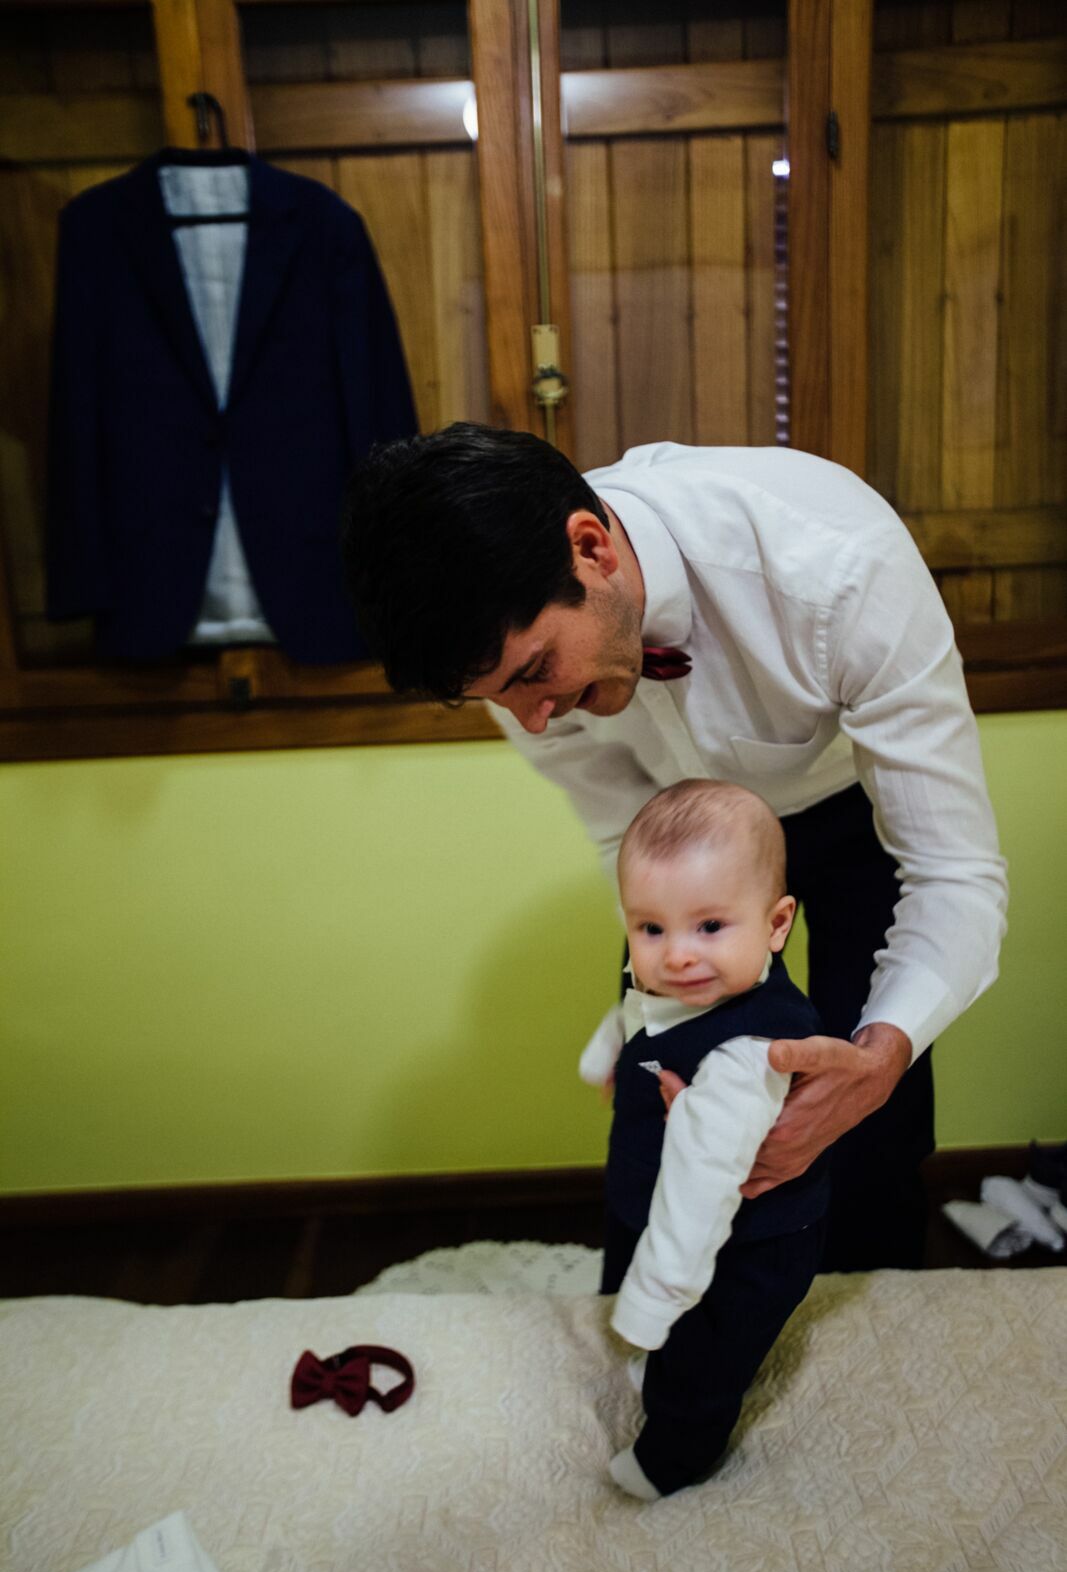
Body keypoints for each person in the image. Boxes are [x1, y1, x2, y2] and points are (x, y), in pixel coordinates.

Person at [341, 425, 1008, 1270]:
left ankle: (867, 1335)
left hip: (856, 811)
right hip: (678, 837)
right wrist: (647, 995)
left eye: (534, 673)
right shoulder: (517, 660)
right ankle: (649, 1322)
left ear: (592, 549)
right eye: (496, 697)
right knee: (655, 1104)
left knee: (866, 1117)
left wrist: (879, 1061)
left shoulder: (836, 563)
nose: (534, 721)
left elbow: (954, 873)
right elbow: (626, 834)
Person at [599, 777, 826, 1500]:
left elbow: (698, 1196)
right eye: (650, 928)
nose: (676, 957)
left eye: (709, 927)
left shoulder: (745, 1053)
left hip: (745, 1239)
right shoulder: (674, 982)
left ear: (777, 923)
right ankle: (666, 1347)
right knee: (671, 1313)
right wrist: (603, 1052)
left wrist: (651, 1301)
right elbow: (635, 1007)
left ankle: (670, 1460)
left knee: (708, 1355)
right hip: (662, 1194)